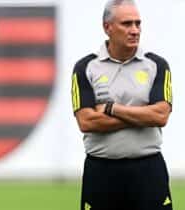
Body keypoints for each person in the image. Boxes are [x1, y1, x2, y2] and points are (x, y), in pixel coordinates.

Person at [71, 0, 173, 209]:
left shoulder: (156, 65)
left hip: (148, 169)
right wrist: (142, 115)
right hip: (101, 171)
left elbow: (160, 117)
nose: (135, 30)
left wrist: (111, 108)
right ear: (107, 27)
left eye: (138, 24)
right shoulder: (85, 67)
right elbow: (87, 121)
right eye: (127, 24)